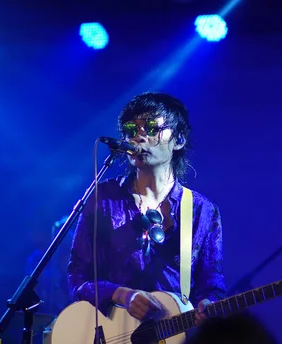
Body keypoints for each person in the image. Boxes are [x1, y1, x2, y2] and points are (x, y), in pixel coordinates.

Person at [67, 91, 226, 326]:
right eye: (132, 129)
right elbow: (77, 277)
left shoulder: (203, 212)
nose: (139, 135)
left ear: (179, 140)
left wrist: (209, 304)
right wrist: (122, 295)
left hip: (176, 343)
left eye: (152, 127)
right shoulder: (102, 199)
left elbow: (212, 285)